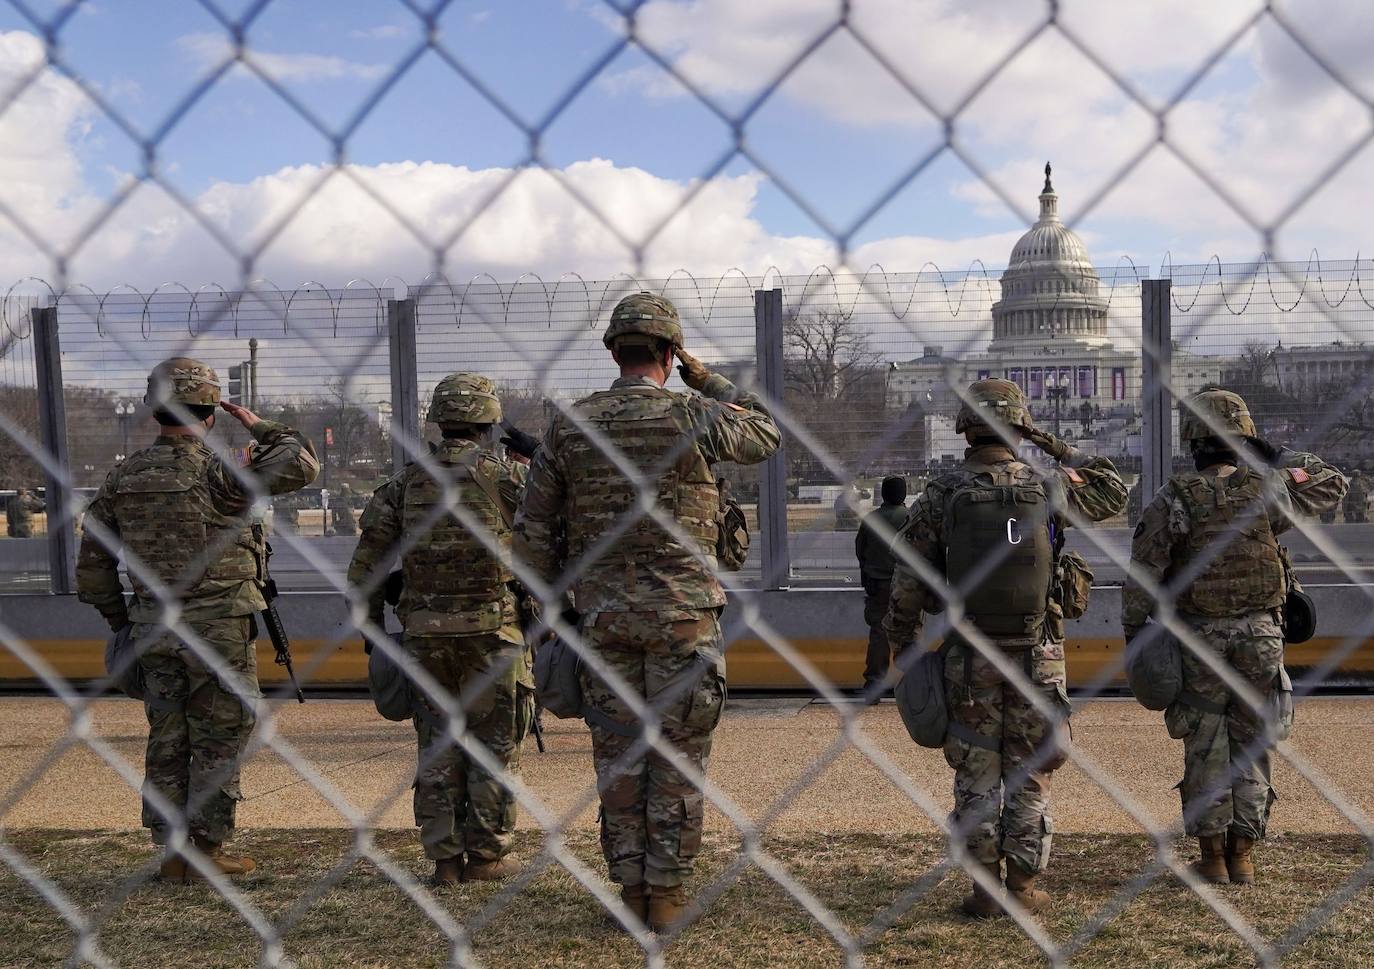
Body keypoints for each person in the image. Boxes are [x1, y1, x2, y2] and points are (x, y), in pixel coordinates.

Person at [514, 292, 780, 931]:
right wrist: (705, 374)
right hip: (683, 619)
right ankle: (666, 893)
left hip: (602, 620)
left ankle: (631, 891)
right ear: (667, 352)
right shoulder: (696, 415)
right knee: (679, 756)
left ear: (613, 351)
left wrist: (557, 603)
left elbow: (532, 529)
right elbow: (767, 432)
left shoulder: (571, 424)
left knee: (618, 756)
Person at [884, 379, 1126, 917]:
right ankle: (1023, 885)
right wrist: (1046, 439)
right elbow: (1114, 489)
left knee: (976, 772)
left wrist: (900, 641)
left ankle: (983, 889)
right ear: (1019, 425)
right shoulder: (1049, 484)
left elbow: (907, 578)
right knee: (1030, 771)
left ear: (965, 428)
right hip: (1038, 651)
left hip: (968, 655)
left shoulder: (944, 491)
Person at [76, 357, 318, 881]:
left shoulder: (123, 477)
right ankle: (206, 849)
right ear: (211, 410)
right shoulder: (222, 473)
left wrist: (124, 619)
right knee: (219, 734)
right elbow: (302, 463)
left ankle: (172, 852)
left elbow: (93, 568)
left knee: (167, 733)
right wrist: (260, 425)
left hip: (152, 628)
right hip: (219, 628)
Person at [1122, 389, 1344, 884]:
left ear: (1191, 442)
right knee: (1252, 740)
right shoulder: (1268, 489)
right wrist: (1270, 452)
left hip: (1199, 637)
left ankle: (1212, 858)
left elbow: (1144, 574)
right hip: (1261, 635)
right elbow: (1330, 483)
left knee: (1205, 744)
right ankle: (1243, 853)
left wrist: (1137, 635)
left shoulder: (1175, 497)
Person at [348, 373, 533, 886]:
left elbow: (366, 567)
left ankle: (444, 859)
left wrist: (373, 627)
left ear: (438, 421)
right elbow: (548, 548)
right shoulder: (509, 480)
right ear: (490, 422)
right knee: (494, 745)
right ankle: (488, 855)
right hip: (495, 634)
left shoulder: (405, 485)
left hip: (426, 636)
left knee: (436, 744)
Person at [854, 476, 908, 696]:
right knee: (910, 633)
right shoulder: (912, 517)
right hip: (908, 584)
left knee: (879, 633)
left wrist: (867, 575)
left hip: (880, 584)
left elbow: (860, 550)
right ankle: (912, 685)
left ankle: (874, 684)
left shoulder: (871, 519)